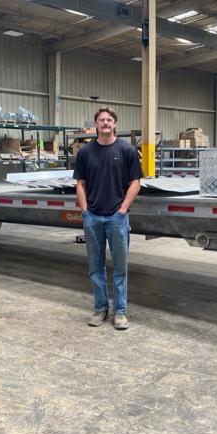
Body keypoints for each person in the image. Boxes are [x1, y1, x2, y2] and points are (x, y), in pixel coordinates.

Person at [73, 106, 143, 330]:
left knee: (120, 268)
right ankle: (100, 309)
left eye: (109, 120)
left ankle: (120, 312)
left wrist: (122, 210)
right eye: (101, 120)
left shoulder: (126, 150)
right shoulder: (85, 152)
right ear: (96, 125)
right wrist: (85, 211)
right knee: (96, 267)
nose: (105, 123)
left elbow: (135, 183)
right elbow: (80, 183)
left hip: (117, 218)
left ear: (115, 124)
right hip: (93, 217)